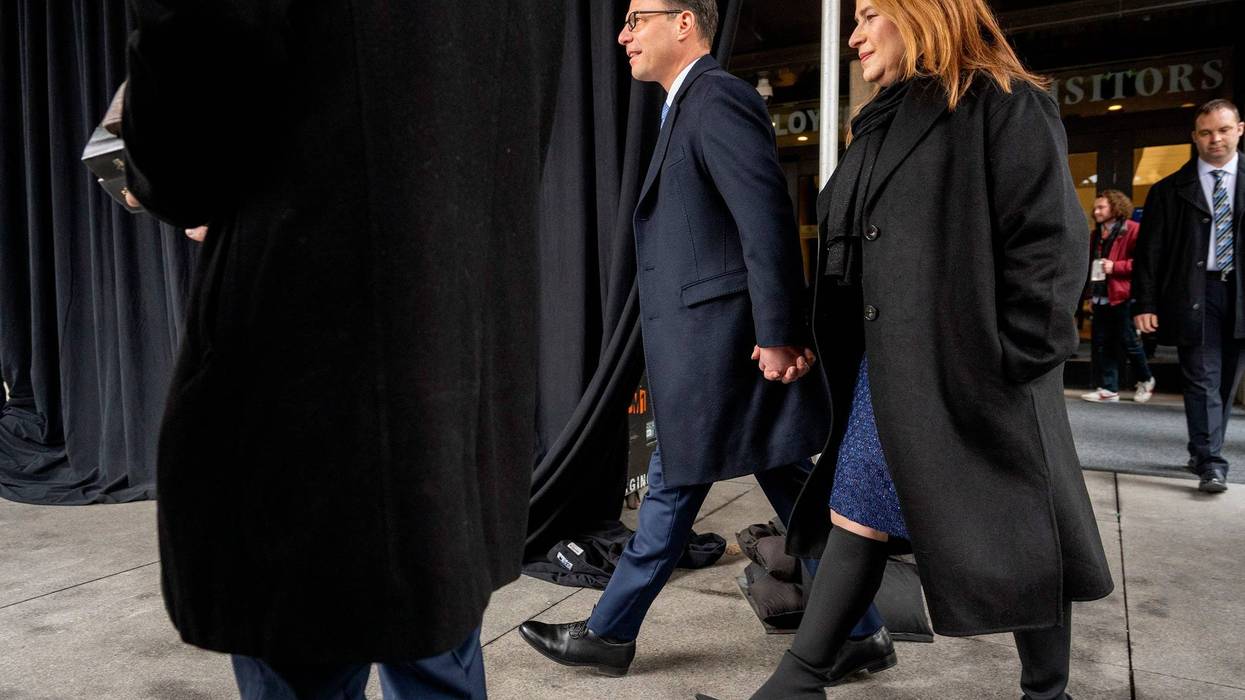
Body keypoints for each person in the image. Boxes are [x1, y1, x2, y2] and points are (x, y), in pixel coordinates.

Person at [121, 2, 563, 698]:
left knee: (303, 655)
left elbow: (185, 149)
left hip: (313, 386)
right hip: (452, 371)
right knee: (438, 645)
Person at [701, 0, 1114, 698]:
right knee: (858, 511)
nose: (854, 35)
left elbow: (1047, 247)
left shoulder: (1005, 105)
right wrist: (801, 333)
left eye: (866, 15)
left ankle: (1046, 692)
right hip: (889, 369)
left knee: (1020, 530)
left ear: (921, 12)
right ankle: (798, 683)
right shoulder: (881, 124)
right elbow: (850, 251)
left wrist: (1011, 360)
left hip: (975, 370)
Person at [518, 0, 895, 683]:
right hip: (714, 344)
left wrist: (777, 333)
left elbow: (764, 218)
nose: (623, 34)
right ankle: (862, 631)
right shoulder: (682, 107)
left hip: (728, 347)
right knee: (782, 478)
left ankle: (609, 633)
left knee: (675, 484)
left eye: (636, 20)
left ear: (684, 22)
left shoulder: (716, 98)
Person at [1133, 99, 1245, 494]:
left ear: (1239, 130)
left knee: (1226, 383)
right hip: (1194, 293)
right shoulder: (1168, 191)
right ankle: (1212, 463)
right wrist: (1144, 304)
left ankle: (1202, 450)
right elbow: (1150, 253)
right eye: (1206, 132)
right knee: (1202, 379)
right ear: (1194, 137)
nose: (1215, 139)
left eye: (1223, 130)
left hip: (1239, 295)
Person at [1081, 190, 1156, 403]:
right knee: (1103, 342)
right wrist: (1089, 294)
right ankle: (1109, 388)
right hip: (1101, 295)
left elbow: (1143, 263)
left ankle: (1146, 379)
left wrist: (1116, 267)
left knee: (1129, 340)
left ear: (1115, 207)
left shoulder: (1133, 230)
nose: (1096, 212)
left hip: (1123, 294)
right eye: (1095, 208)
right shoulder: (1096, 235)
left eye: (1101, 207)